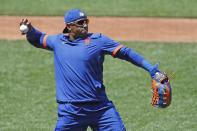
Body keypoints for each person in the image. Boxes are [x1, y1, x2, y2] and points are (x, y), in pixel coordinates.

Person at [20, 9, 159, 131]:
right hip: (71, 111)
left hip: (100, 108)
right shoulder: (57, 41)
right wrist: (30, 30)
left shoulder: (98, 41)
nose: (85, 24)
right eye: (80, 22)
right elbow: (37, 39)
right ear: (69, 26)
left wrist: (151, 69)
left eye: (86, 21)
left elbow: (126, 53)